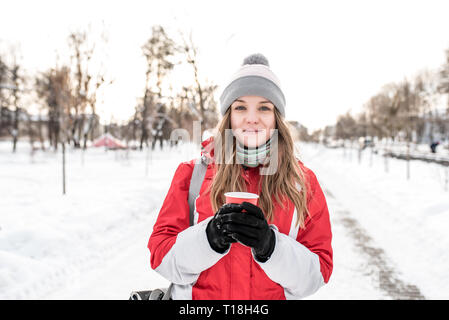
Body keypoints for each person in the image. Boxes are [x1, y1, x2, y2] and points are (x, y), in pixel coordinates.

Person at [148, 53, 333, 300]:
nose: (252, 118)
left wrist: (270, 247)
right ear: (229, 116)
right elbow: (160, 257)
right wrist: (208, 239)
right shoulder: (193, 174)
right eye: (241, 107)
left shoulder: (302, 183)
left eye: (264, 108)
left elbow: (317, 275)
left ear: (277, 117)